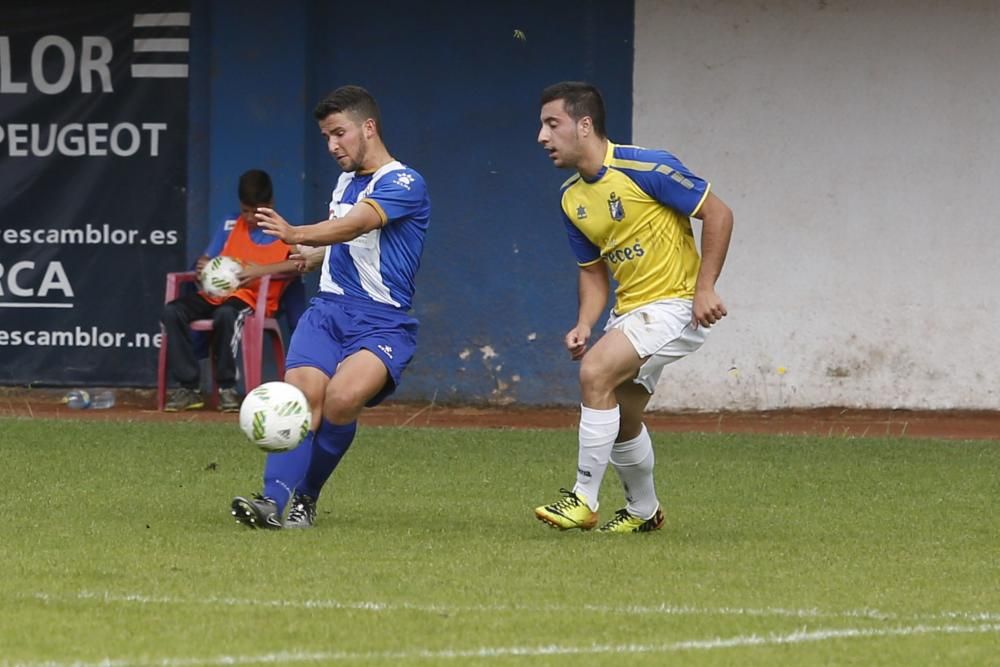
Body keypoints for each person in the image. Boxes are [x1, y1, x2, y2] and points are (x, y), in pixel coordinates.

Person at [532, 81, 734, 534]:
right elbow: (592, 271)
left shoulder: (647, 166)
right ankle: (644, 510)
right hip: (632, 311)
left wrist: (705, 288)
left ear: (585, 125)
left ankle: (583, 497)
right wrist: (585, 322)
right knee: (622, 417)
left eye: (552, 124)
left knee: (595, 373)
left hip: (676, 304)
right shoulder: (571, 198)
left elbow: (719, 214)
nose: (542, 137)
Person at [230, 85, 431, 530]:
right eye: (325, 137)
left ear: (369, 127)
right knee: (299, 399)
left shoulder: (404, 181)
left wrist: (298, 234)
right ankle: (271, 502)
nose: (332, 145)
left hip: (382, 322)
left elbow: (358, 223)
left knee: (340, 401)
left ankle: (306, 496)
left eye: (339, 133)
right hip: (329, 310)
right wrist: (317, 257)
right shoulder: (345, 182)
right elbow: (356, 240)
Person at [160, 169, 298, 412]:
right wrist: (204, 265)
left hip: (252, 300)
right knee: (173, 311)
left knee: (226, 314)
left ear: (271, 204)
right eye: (246, 211)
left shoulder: (284, 231)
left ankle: (227, 389)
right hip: (216, 294)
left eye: (256, 211)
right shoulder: (231, 223)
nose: (251, 217)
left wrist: (260, 270)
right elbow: (208, 256)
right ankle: (189, 387)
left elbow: (299, 264)